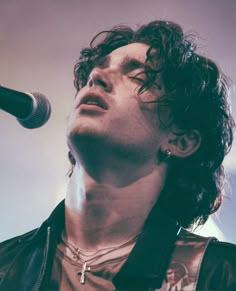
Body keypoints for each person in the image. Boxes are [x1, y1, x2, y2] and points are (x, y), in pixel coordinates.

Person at [0, 20, 236, 291]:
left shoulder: (221, 274)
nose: (97, 77)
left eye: (136, 75)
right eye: (97, 70)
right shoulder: (5, 266)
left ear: (181, 140)